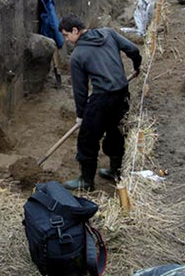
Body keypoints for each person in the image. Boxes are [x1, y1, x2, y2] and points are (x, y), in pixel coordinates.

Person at [58, 14, 142, 191]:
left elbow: (80, 91)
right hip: (122, 94)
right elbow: (133, 50)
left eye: (66, 35)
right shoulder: (109, 34)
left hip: (102, 99)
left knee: (87, 139)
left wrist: (81, 116)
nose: (66, 40)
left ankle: (86, 181)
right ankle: (116, 170)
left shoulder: (78, 56)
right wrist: (136, 67)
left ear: (75, 30)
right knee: (116, 132)